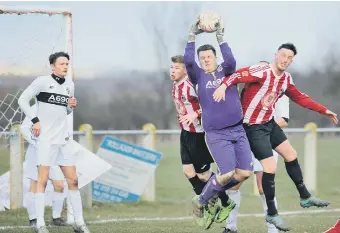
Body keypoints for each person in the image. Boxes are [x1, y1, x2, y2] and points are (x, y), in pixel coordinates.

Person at [213, 43, 338, 231]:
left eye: (289, 58)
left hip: (269, 124)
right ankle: (271, 213)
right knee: (269, 167)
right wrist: (223, 86)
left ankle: (305, 196)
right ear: (276, 55)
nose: (285, 60)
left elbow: (301, 97)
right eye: (283, 55)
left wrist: (324, 110)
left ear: (291, 61)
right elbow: (238, 75)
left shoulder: (286, 79)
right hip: (252, 127)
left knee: (291, 155)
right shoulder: (262, 70)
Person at [184, 17, 253, 229]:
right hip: (216, 133)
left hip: (238, 130)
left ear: (215, 57)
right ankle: (202, 201)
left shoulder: (227, 71)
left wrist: (220, 37)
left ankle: (213, 192)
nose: (205, 60)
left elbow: (230, 59)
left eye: (209, 56)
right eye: (202, 57)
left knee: (244, 173)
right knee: (228, 173)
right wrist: (192, 35)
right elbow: (188, 61)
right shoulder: (198, 76)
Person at [18, 52, 90, 233]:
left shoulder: (69, 85)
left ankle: (79, 223)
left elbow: (65, 112)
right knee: (41, 181)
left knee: (73, 180)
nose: (65, 66)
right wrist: (35, 120)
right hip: (46, 141)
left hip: (63, 140)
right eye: (61, 64)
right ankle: (40, 224)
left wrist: (70, 106)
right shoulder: (41, 82)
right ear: (52, 66)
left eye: (67, 63)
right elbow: (22, 100)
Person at [170, 55, 231, 229]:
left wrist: (195, 114)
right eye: (171, 67)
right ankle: (205, 205)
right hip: (186, 133)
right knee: (188, 171)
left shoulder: (192, 85)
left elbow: (211, 104)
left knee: (204, 175)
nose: (173, 71)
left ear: (185, 70)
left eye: (177, 68)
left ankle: (225, 202)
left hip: (199, 134)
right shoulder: (175, 86)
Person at [223, 74, 290, 233]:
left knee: (263, 187)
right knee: (233, 184)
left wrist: (258, 125)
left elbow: (284, 120)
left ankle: (273, 230)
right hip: (245, 144)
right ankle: (230, 228)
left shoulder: (279, 92)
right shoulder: (247, 92)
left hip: (265, 143)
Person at [21, 104, 67, 227]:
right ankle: (33, 219)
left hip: (54, 152)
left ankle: (56, 218)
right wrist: (38, 141)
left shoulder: (58, 106)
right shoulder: (35, 107)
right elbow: (24, 128)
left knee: (60, 184)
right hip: (36, 152)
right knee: (35, 184)